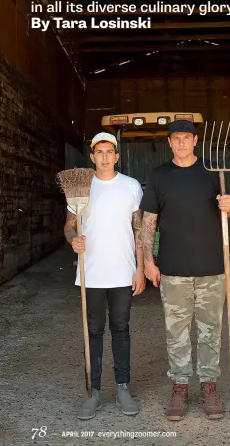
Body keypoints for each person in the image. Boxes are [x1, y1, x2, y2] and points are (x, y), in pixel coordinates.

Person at [140, 120, 230, 421]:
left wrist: (228, 205)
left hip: (211, 268)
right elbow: (148, 222)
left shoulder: (216, 174)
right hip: (173, 269)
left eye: (186, 138)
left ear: (195, 140)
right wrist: (147, 260)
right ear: (169, 143)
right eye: (175, 139)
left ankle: (209, 386)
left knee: (211, 331)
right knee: (176, 332)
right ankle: (179, 387)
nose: (181, 143)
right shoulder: (159, 176)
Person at [64, 132, 145, 420]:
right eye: (99, 151)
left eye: (110, 151)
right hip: (92, 273)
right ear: (92, 156)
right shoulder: (80, 188)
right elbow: (69, 226)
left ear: (117, 156)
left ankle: (123, 388)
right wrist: (73, 239)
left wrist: (140, 267)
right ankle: (93, 392)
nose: (105, 156)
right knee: (94, 331)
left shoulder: (131, 187)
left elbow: (139, 230)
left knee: (121, 329)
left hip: (123, 271)